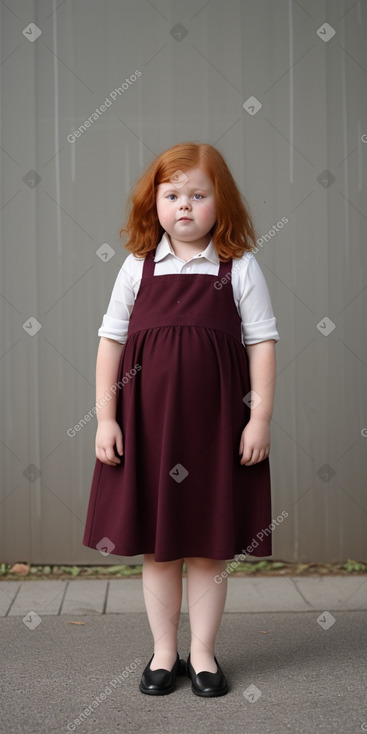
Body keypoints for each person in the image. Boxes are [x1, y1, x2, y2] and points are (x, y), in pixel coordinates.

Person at [82, 142, 279, 697]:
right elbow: (110, 344)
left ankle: (204, 654)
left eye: (198, 194)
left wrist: (258, 419)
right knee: (160, 545)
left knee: (209, 547)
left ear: (222, 203)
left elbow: (262, 343)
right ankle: (165, 652)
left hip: (216, 430)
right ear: (155, 203)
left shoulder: (238, 266)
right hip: (148, 430)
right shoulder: (136, 268)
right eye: (172, 195)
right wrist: (106, 420)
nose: (185, 206)